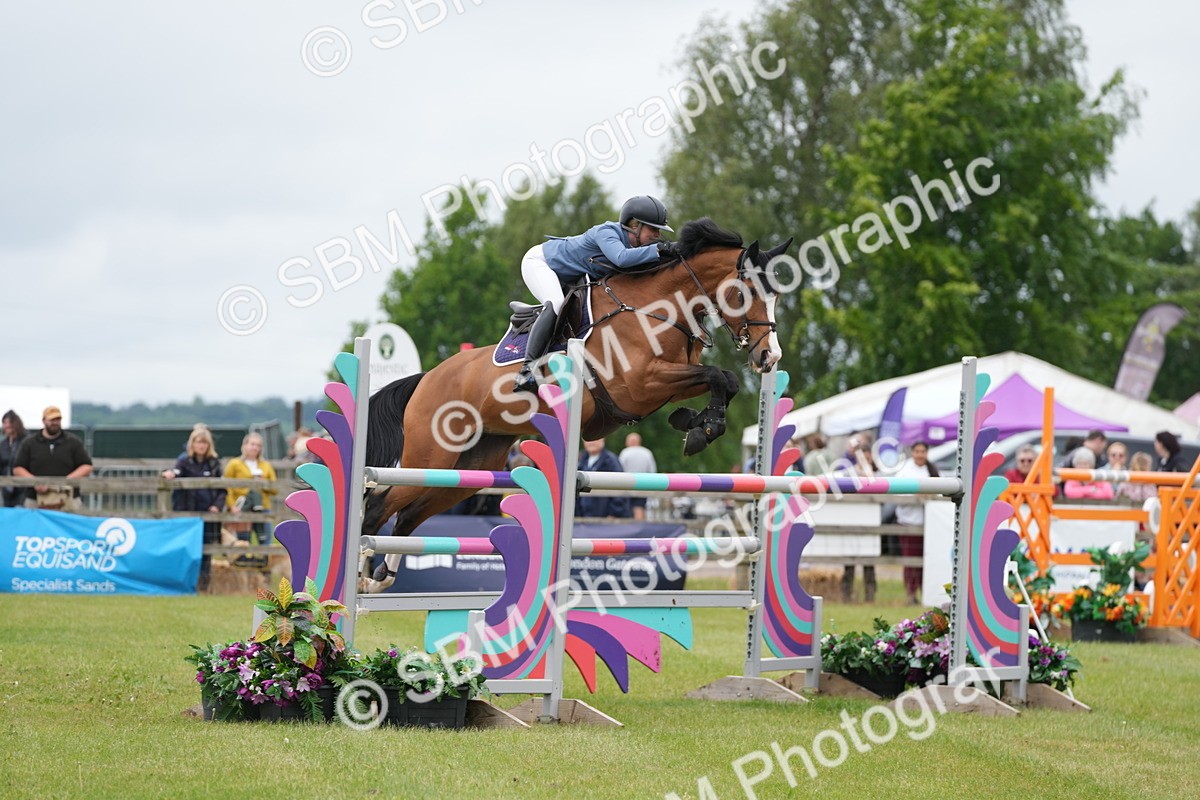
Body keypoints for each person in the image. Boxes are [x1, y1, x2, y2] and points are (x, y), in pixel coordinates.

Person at [514, 195, 676, 392]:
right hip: (540, 263)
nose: (658, 235)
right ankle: (527, 371)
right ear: (634, 225)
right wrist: (660, 249)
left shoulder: (635, 246)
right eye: (653, 229)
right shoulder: (606, 232)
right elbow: (621, 259)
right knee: (556, 303)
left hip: (568, 276)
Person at [163, 428, 225, 591]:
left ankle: (203, 585)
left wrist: (217, 506)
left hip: (207, 515)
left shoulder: (214, 463)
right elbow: (176, 472)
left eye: (205, 442)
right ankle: (183, 584)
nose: (201, 445)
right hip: (187, 514)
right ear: (192, 443)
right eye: (198, 441)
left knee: (206, 551)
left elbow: (222, 488)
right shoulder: (184, 461)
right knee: (186, 550)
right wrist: (170, 474)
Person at [12, 406, 92, 510]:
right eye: (52, 419)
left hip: (67, 497)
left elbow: (86, 465)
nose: (55, 423)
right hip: (35, 498)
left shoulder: (73, 441)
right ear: (44, 420)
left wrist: (67, 481)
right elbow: (18, 468)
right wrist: (35, 482)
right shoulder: (30, 443)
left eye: (58, 419)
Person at [894, 441, 939, 605]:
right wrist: (916, 495)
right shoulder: (904, 471)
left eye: (923, 451)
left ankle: (924, 591)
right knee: (910, 559)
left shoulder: (931, 470)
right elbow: (897, 493)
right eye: (917, 451)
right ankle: (911, 592)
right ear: (912, 453)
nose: (920, 455)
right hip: (908, 521)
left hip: (928, 522)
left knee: (924, 559)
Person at [223, 432, 278, 545]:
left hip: (263, 507)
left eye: (258, 445)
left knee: (265, 540)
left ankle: (265, 561)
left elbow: (275, 489)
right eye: (252, 444)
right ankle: (243, 561)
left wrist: (264, 483)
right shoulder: (234, 464)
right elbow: (226, 486)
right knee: (243, 540)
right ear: (245, 445)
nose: (255, 447)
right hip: (242, 506)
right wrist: (231, 505)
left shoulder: (266, 465)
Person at [576, 438, 631, 519]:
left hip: (606, 520)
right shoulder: (581, 462)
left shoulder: (611, 461)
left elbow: (620, 488)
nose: (591, 442)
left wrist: (614, 513)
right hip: (584, 519)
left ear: (603, 440)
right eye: (588, 439)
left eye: (595, 438)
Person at [618, 432, 657, 520]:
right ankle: (640, 527)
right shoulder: (647, 453)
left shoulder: (625, 452)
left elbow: (620, 469)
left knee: (629, 508)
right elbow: (652, 470)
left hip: (627, 484)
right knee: (640, 507)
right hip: (644, 484)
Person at [1, 410, 30, 508]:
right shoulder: (3, 444)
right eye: (4, 423)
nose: (7, 426)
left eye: (9, 422)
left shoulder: (27, 441)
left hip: (23, 488)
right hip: (6, 488)